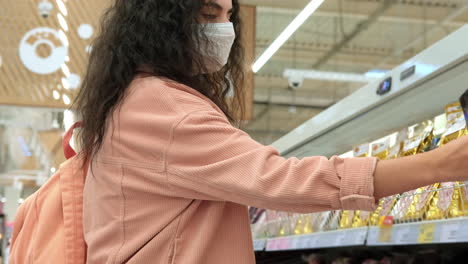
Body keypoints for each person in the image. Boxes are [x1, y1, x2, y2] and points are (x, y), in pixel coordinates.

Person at [73, 0, 468, 263]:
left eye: (229, 16)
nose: (223, 30)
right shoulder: (160, 106)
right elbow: (281, 181)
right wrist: (439, 164)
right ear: (161, 24)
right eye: (208, 16)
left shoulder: (135, 100)